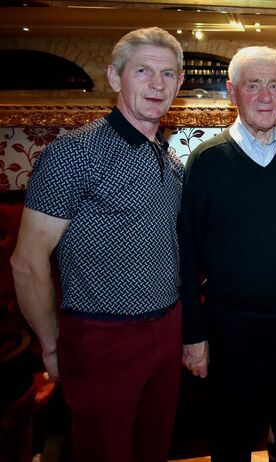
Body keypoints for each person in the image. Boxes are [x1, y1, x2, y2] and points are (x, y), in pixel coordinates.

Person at [10, 27, 184, 462]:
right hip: (100, 336)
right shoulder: (73, 153)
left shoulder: (170, 157)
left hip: (166, 332)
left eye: (167, 74)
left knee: (154, 449)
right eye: (143, 71)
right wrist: (51, 345)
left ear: (179, 83)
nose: (157, 84)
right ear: (114, 77)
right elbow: (28, 261)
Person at [179, 46, 276, 462]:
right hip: (230, 330)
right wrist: (193, 335)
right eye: (253, 85)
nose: (265, 95)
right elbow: (187, 253)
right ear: (233, 92)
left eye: (274, 85)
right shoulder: (206, 161)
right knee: (230, 442)